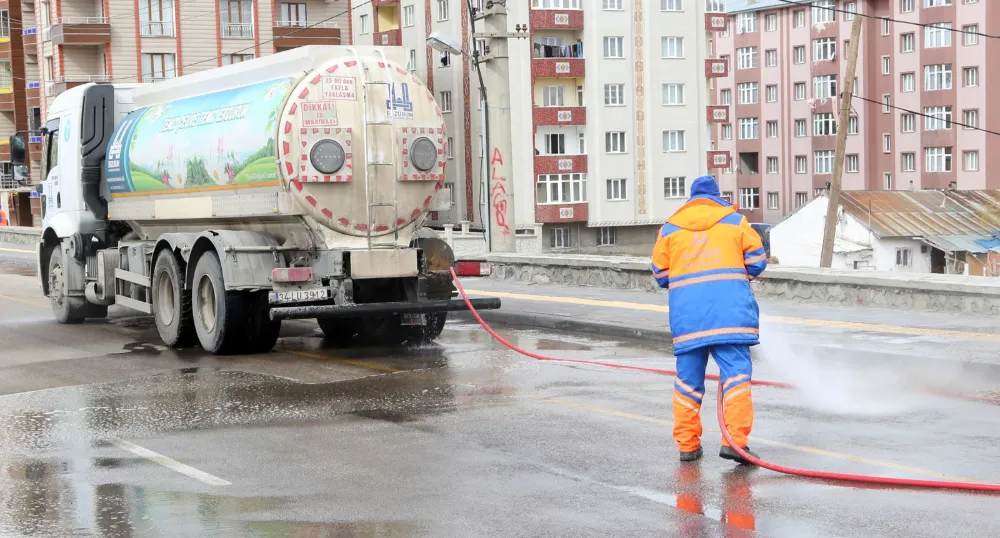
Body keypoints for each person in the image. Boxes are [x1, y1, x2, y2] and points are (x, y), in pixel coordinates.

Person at [650, 175, 768, 464]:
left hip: (689, 321)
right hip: (731, 319)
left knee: (688, 384)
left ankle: (688, 446)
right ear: (717, 197)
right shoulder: (736, 222)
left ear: (690, 199)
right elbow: (757, 261)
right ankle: (736, 444)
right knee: (737, 379)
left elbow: (661, 274)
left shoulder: (669, 229)